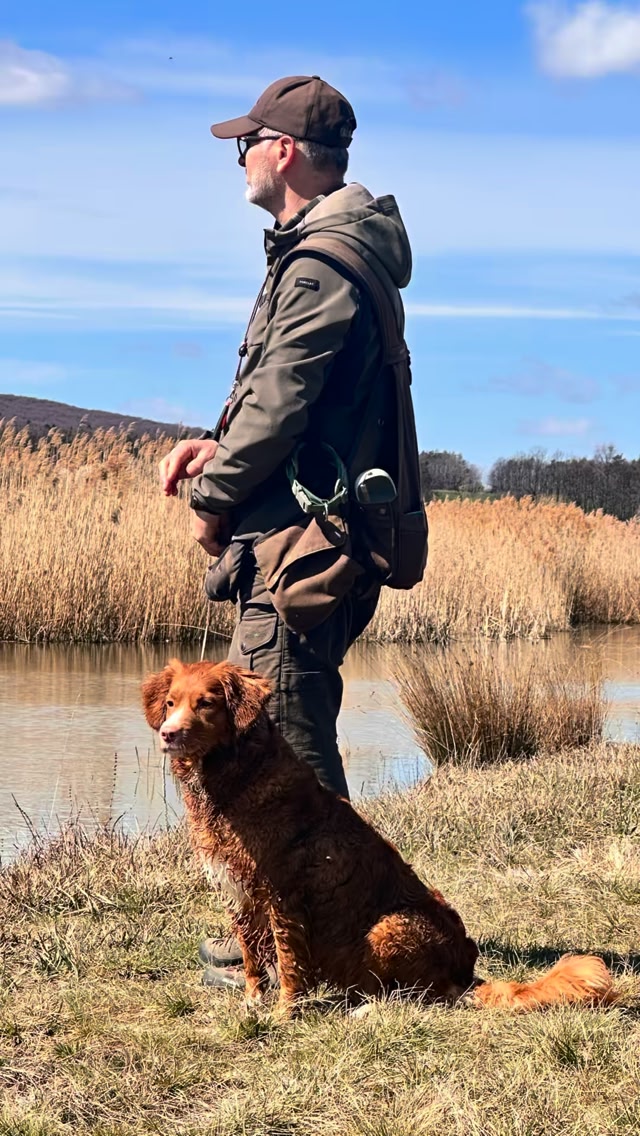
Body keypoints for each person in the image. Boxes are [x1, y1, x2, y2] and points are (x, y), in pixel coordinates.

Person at [158, 75, 414, 973]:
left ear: (287, 151)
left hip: (303, 556)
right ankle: (310, 935)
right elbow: (286, 405)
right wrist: (214, 445)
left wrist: (215, 497)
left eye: (248, 142)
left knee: (288, 755)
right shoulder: (333, 252)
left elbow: (281, 405)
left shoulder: (320, 262)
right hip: (314, 542)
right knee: (292, 737)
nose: (240, 159)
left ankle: (318, 946)